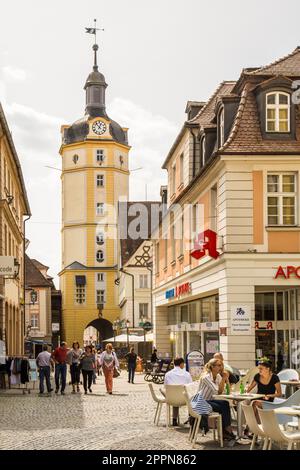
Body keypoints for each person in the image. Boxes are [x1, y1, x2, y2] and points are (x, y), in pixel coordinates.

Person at [198, 358, 235, 440]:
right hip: (201, 401)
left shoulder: (217, 376)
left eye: (221, 365)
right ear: (212, 367)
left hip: (210, 400)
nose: (221, 367)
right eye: (218, 365)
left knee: (225, 403)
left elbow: (223, 391)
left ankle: (226, 430)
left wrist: (226, 379)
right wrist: (223, 379)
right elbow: (217, 391)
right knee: (223, 407)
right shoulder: (206, 377)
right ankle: (226, 431)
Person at [246, 357, 282, 425]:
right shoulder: (257, 376)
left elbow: (279, 394)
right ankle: (254, 427)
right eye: (259, 368)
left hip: (268, 400)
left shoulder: (274, 378)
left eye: (261, 368)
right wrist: (243, 394)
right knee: (249, 403)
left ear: (267, 369)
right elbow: (249, 388)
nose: (259, 370)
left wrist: (269, 396)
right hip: (257, 398)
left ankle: (250, 427)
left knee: (255, 404)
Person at [164, 357, 192, 426]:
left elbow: (165, 386)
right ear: (182, 364)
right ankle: (191, 417)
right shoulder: (187, 374)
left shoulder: (168, 374)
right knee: (190, 394)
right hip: (185, 399)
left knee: (174, 394)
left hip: (171, 399)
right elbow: (190, 386)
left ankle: (174, 419)